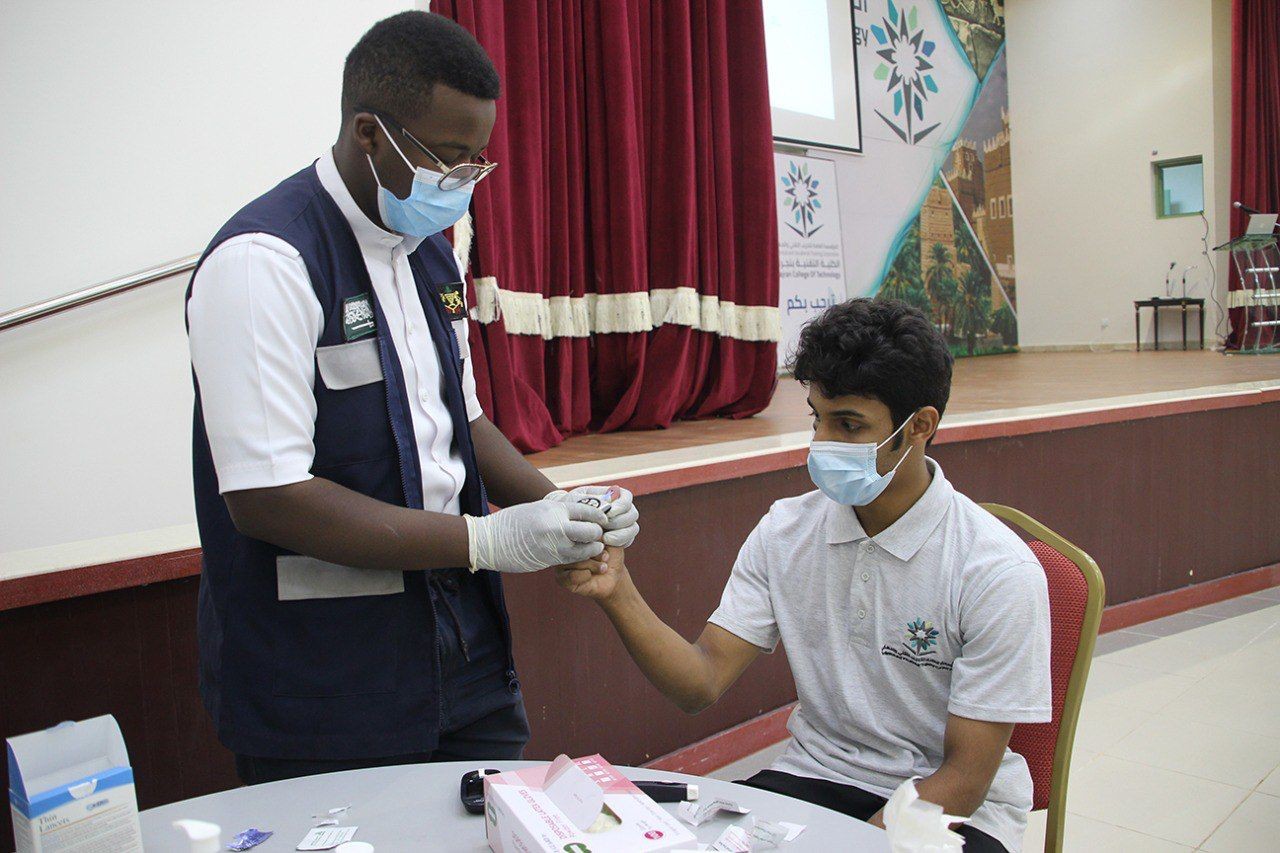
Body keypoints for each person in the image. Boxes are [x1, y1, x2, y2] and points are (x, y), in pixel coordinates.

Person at [186, 11, 636, 785]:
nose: (461, 180)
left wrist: (568, 506)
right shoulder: (265, 262)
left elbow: (466, 421)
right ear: (369, 132)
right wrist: (485, 540)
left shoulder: (431, 255)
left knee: (491, 822)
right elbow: (268, 498)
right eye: (446, 157)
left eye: (474, 160)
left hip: (462, 642)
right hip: (324, 668)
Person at [558, 299, 1050, 852]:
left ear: (920, 427)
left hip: (951, 811)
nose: (823, 443)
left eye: (850, 425)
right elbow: (700, 682)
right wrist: (617, 592)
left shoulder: (995, 571)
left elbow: (965, 778)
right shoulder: (786, 530)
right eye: (818, 418)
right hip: (813, 776)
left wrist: (852, 847)